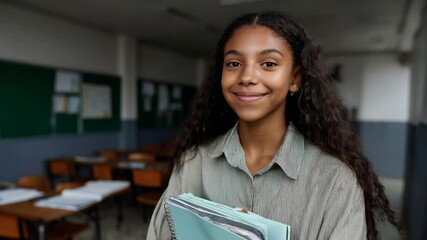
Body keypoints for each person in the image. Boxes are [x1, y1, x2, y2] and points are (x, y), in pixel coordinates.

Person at [147, 11, 401, 240]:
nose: (246, 77)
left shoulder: (336, 183)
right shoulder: (193, 165)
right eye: (234, 63)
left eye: (268, 63)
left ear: (294, 79)